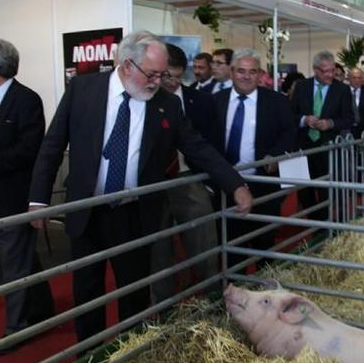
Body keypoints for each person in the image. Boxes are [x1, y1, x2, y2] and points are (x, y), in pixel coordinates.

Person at [27, 31, 252, 345]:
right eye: (151, 73)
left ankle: (127, 354)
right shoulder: (83, 89)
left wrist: (235, 184)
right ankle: (88, 362)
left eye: (162, 75)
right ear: (126, 64)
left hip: (133, 213)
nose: (157, 81)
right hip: (86, 209)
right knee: (87, 290)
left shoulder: (166, 105)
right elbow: (52, 146)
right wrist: (38, 199)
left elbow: (198, 148)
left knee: (133, 291)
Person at [0, 39, 54, 349]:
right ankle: (42, 309)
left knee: (13, 263)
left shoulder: (26, 100)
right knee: (19, 257)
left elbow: (29, 149)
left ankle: (15, 329)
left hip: (16, 197)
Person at [150, 43, 220, 303]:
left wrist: (211, 184)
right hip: (155, 184)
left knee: (204, 242)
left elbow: (212, 143)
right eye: (167, 75)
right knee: (159, 249)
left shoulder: (201, 101)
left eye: (178, 77)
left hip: (190, 178)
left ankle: (210, 297)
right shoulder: (146, 98)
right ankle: (163, 305)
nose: (171, 82)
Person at [212, 49, 295, 270]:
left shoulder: (277, 101)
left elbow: (290, 132)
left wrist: (275, 155)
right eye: (241, 71)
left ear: (260, 75)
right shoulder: (214, 102)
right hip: (226, 187)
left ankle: (264, 295)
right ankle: (234, 294)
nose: (246, 76)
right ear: (231, 72)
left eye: (252, 71)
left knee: (264, 244)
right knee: (231, 247)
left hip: (264, 186)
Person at [291, 51, 353, 221]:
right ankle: (314, 220)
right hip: (303, 147)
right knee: (304, 190)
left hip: (328, 148)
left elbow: (349, 118)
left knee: (326, 189)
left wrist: (330, 123)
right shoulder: (302, 86)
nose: (330, 75)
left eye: (332, 70)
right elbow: (290, 114)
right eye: (325, 71)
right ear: (315, 70)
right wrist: (304, 120)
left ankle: (325, 223)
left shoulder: (342, 89)